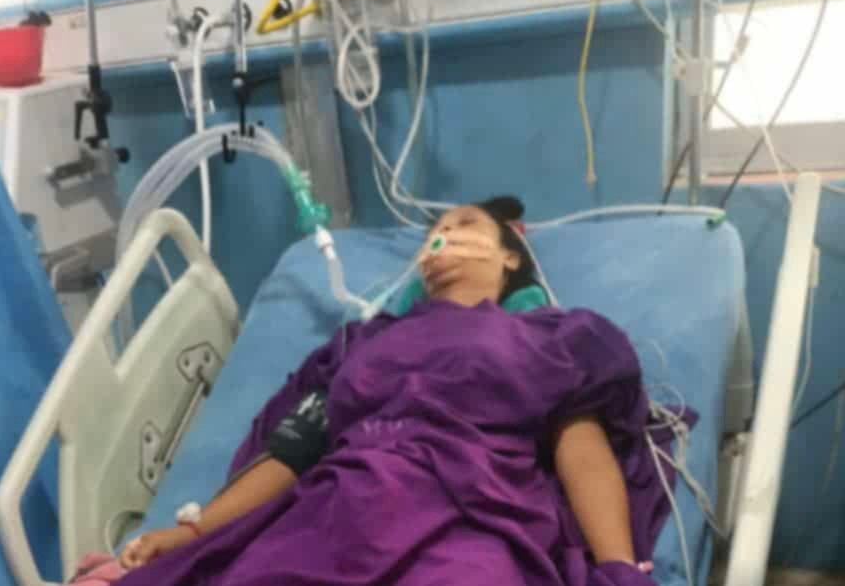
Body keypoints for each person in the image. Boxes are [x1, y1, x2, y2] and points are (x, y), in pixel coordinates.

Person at [114, 196, 684, 586]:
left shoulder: (549, 337)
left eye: (464, 225)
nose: (445, 237)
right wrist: (192, 533)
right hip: (338, 509)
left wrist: (619, 568)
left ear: (510, 253)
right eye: (436, 233)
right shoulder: (363, 343)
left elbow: (582, 453)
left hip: (475, 513)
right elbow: (292, 451)